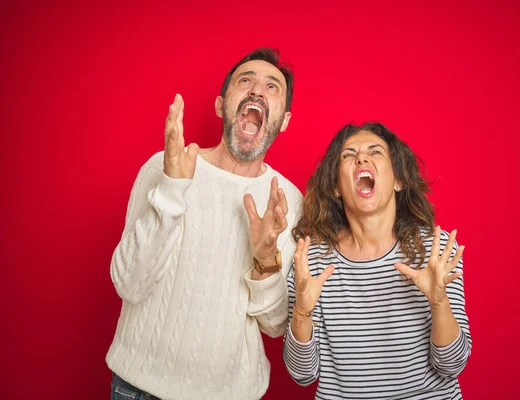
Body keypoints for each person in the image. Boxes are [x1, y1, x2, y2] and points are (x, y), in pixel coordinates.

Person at [106, 48, 303, 400]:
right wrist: (172, 189)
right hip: (139, 388)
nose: (257, 90)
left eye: (272, 87)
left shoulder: (286, 200)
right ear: (220, 105)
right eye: (246, 81)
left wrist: (265, 262)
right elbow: (129, 284)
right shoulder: (164, 167)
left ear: (284, 120)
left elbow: (275, 325)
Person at [283, 122, 472, 399]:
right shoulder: (310, 259)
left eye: (376, 152)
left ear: (398, 180)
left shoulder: (435, 250)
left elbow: (452, 365)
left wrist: (439, 302)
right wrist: (302, 310)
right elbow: (302, 375)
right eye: (348, 155)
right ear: (336, 187)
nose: (361, 158)